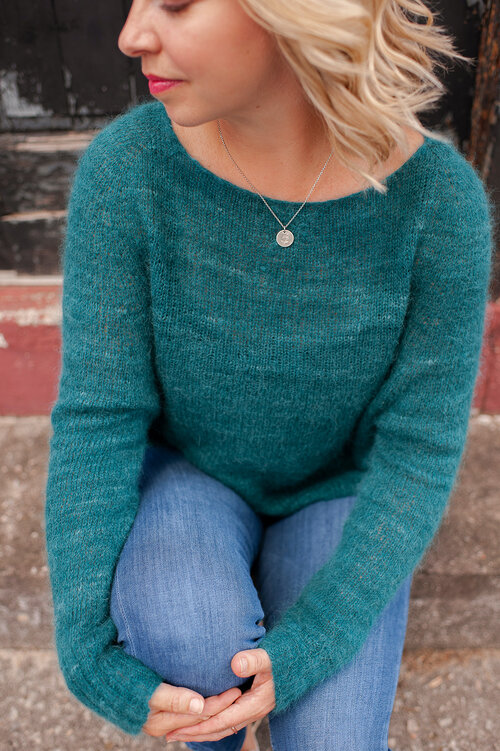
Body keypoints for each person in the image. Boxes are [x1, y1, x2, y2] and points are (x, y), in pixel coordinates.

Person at [44, 0, 495, 749]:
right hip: (189, 473)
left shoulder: (439, 205)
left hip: (338, 489)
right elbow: (100, 413)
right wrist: (86, 651)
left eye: (177, 3)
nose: (131, 35)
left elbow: (418, 452)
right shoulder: (128, 170)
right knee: (194, 656)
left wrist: (313, 641)